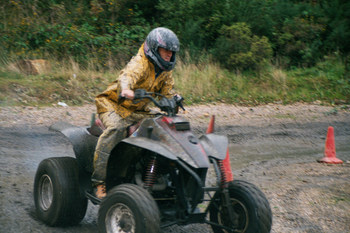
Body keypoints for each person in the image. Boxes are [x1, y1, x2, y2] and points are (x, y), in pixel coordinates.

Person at [92, 27, 180, 198]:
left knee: (165, 124)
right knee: (116, 129)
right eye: (166, 50)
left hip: (138, 110)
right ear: (155, 48)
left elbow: (168, 93)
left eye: (172, 51)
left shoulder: (165, 72)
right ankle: (99, 183)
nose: (169, 54)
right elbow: (127, 76)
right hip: (113, 105)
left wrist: (174, 100)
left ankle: (154, 173)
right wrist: (126, 89)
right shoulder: (140, 62)